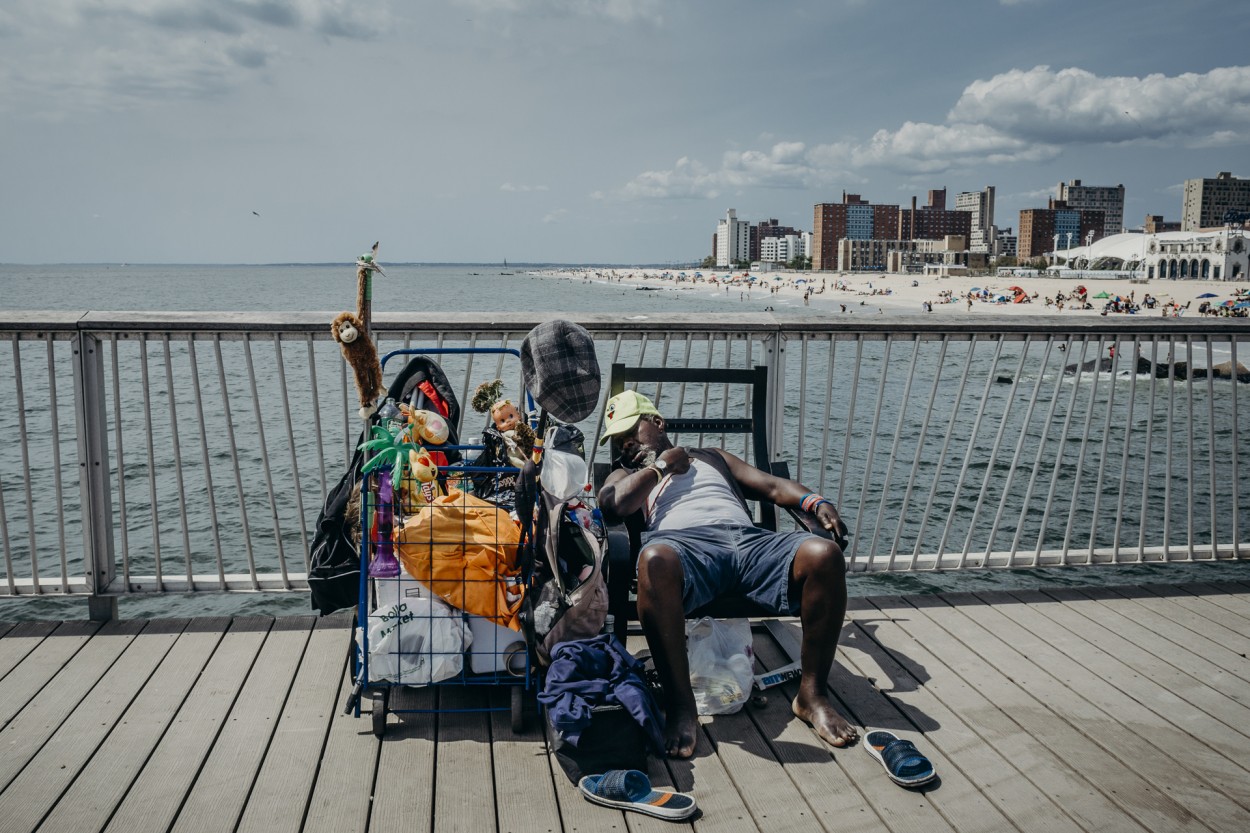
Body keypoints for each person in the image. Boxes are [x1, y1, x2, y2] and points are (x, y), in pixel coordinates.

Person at [596, 391, 857, 758]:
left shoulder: (712, 457)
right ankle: (682, 706)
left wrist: (815, 502)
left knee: (823, 553)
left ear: (657, 423)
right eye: (619, 441)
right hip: (687, 549)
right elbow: (614, 503)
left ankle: (811, 696)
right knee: (653, 558)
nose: (626, 445)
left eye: (631, 432)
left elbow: (772, 486)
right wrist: (661, 468)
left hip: (748, 542)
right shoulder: (627, 474)